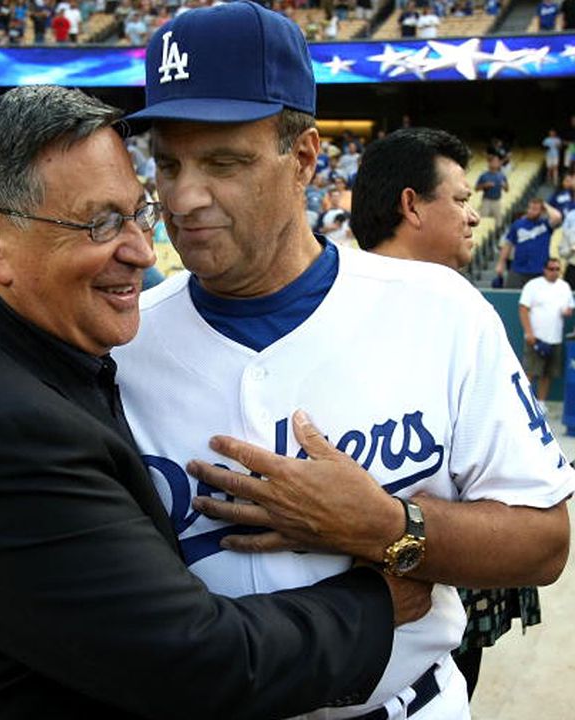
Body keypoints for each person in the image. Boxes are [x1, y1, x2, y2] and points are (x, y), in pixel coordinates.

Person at [0, 84, 430, 719]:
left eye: (139, 214)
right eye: (100, 223)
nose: (139, 250)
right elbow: (199, 662)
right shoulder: (1, 424)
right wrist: (380, 600)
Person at [121, 4, 573, 719]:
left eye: (224, 162)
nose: (184, 197)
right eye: (168, 163)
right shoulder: (120, 340)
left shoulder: (440, 309)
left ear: (303, 157)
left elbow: (545, 542)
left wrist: (391, 526)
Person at [350, 127, 545, 701]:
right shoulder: (338, 314)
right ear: (410, 205)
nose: (473, 216)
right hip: (393, 598)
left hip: (465, 579)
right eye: (460, 200)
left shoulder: (459, 307)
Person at [519, 257, 574, 407]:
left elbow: (569, 307)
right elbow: (523, 309)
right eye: (551, 269)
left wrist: (568, 311)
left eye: (557, 269)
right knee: (530, 373)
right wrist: (529, 333)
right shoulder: (533, 285)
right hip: (536, 338)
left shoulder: (564, 287)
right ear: (545, 269)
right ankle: (521, 404)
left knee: (547, 374)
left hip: (555, 338)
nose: (554, 272)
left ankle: (541, 404)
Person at [495, 197, 562, 288]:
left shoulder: (546, 225)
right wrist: (501, 263)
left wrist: (544, 205)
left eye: (534, 209)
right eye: (529, 208)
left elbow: (557, 217)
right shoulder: (518, 224)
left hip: (540, 270)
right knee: (512, 296)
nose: (530, 211)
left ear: (542, 211)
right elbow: (508, 245)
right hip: (518, 269)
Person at [475, 153, 509, 225]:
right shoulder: (484, 175)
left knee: (498, 221)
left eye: (497, 162)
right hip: (486, 201)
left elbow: (507, 189)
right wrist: (485, 185)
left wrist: (504, 185)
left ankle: (496, 235)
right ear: (489, 163)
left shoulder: (502, 175)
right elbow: (476, 188)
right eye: (493, 161)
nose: (495, 163)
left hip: (497, 201)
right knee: (483, 219)